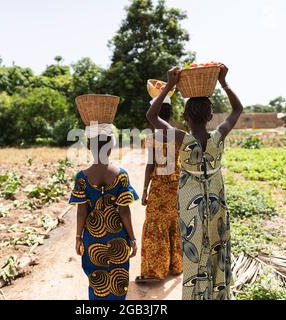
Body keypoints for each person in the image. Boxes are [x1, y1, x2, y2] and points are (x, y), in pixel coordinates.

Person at [146, 64, 244, 300]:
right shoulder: (218, 136)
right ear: (211, 116)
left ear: (185, 117)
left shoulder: (181, 138)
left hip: (191, 206)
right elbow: (238, 108)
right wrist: (223, 81)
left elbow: (152, 116)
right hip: (216, 205)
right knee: (218, 249)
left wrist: (169, 85)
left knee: (194, 252)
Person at [69, 130, 139, 300]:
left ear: (89, 147)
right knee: (118, 281)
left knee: (96, 282)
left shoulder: (82, 177)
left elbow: (81, 212)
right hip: (118, 237)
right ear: (111, 146)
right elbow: (124, 211)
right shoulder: (121, 175)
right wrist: (132, 238)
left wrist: (78, 238)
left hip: (93, 239)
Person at [136, 102, 183, 283]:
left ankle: (155, 271)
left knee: (155, 224)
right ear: (170, 114)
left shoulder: (152, 138)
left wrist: (145, 190)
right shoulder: (178, 135)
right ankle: (176, 265)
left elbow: (150, 165)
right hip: (176, 185)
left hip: (159, 185)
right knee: (173, 223)